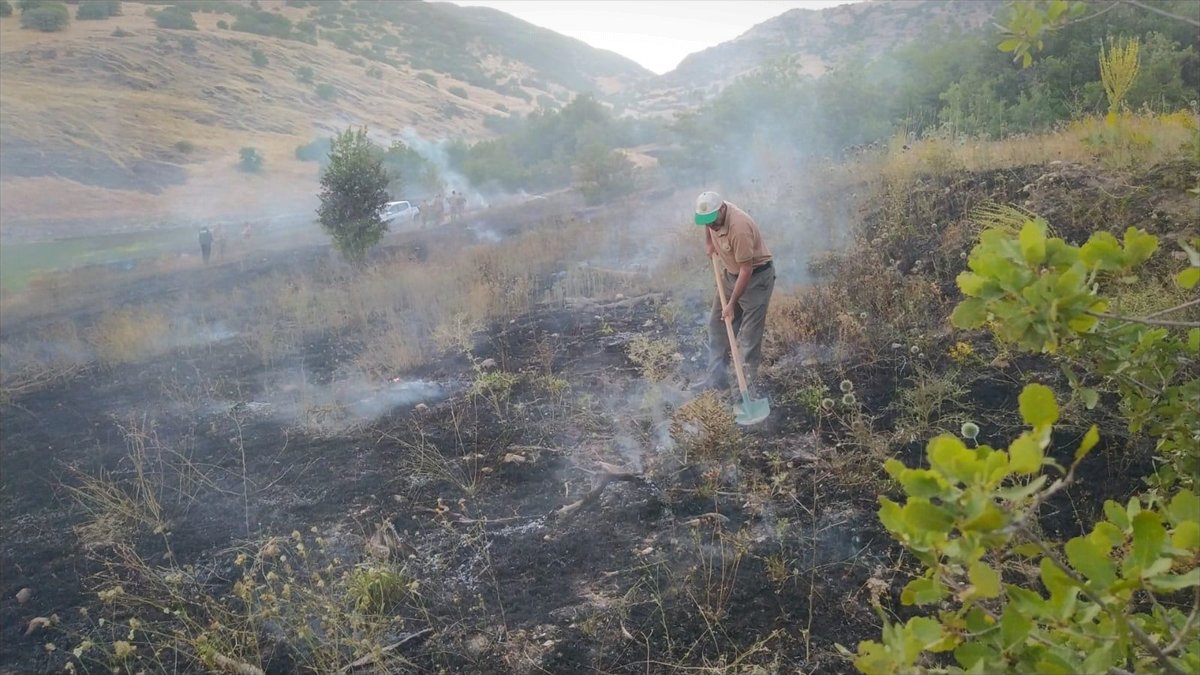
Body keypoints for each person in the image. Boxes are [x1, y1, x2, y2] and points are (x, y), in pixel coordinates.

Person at [693, 191, 775, 396]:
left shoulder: (739, 228)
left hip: (755, 280)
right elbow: (708, 223)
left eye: (712, 220)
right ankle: (717, 381)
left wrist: (731, 303)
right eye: (706, 221)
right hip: (731, 276)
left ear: (722, 210)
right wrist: (709, 242)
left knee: (749, 337)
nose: (710, 225)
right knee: (717, 326)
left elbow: (746, 271)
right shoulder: (713, 215)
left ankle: (746, 389)